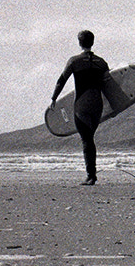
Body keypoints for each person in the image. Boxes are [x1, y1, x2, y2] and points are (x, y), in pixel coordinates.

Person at [49, 30, 116, 185]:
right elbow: (109, 86)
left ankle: (91, 175)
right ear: (92, 42)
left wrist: (54, 98)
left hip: (82, 104)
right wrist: (113, 107)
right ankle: (91, 173)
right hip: (97, 105)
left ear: (79, 42)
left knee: (86, 139)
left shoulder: (74, 61)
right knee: (89, 138)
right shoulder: (101, 62)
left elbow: (61, 80)